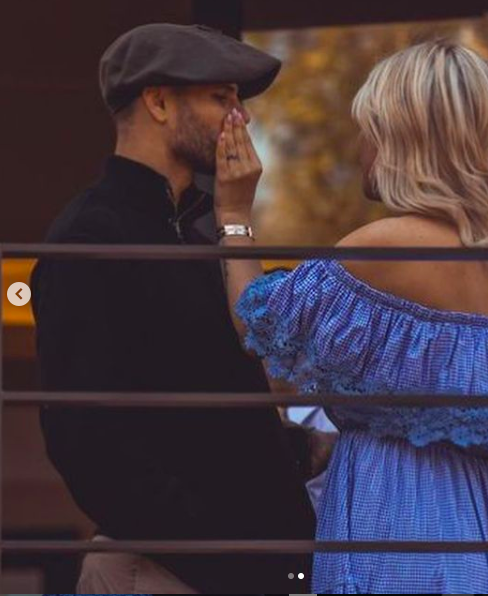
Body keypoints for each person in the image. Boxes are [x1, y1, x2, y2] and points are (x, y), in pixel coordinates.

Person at [213, 40, 488, 594]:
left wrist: (234, 215)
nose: (360, 146)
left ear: (400, 139)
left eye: (367, 129)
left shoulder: (383, 247)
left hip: (397, 524)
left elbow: (257, 322)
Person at [30, 23, 326, 593]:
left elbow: (209, 402)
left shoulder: (202, 227)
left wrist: (308, 451)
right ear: (159, 102)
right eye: (221, 98)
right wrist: (218, 554)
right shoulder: (91, 237)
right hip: (169, 573)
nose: (241, 118)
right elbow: (87, 441)